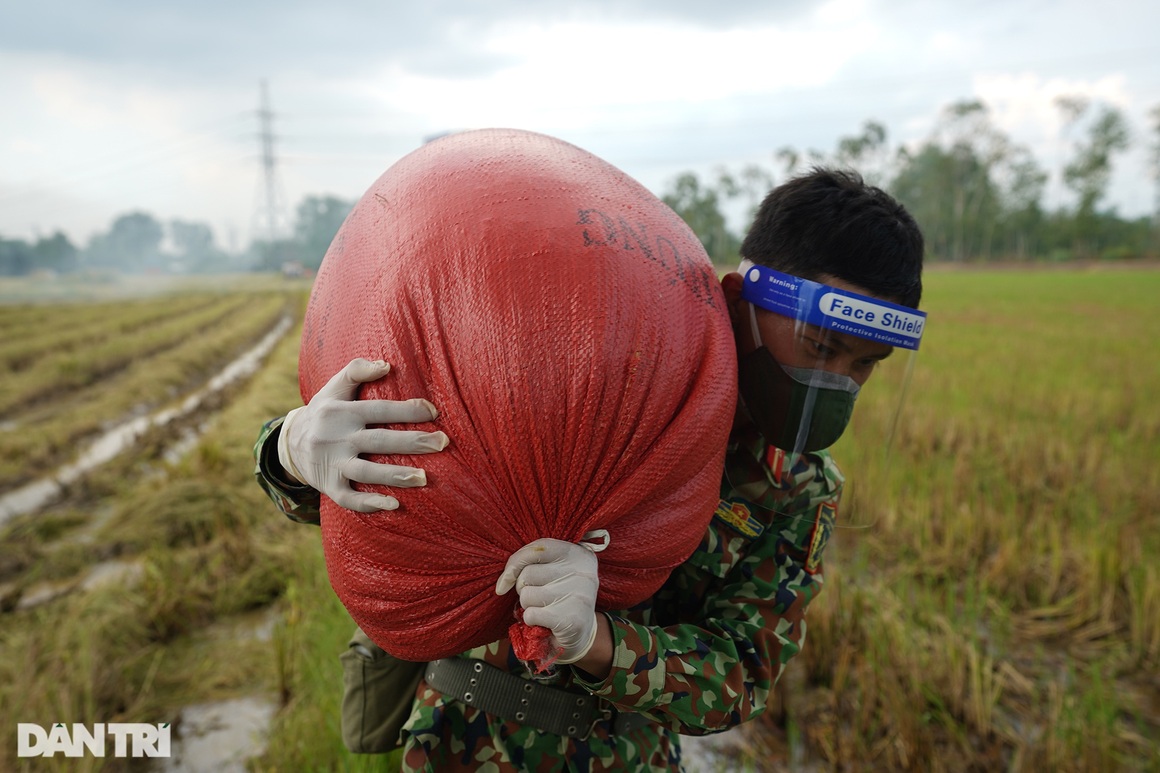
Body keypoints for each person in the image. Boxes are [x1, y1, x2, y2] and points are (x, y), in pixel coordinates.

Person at [254, 167, 925, 771]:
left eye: (864, 365)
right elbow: (411, 485)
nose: (836, 380)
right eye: (821, 345)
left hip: (620, 756)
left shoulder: (797, 487)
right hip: (455, 740)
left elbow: (740, 677)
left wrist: (599, 642)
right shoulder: (599, 357)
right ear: (745, 295)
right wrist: (290, 452)